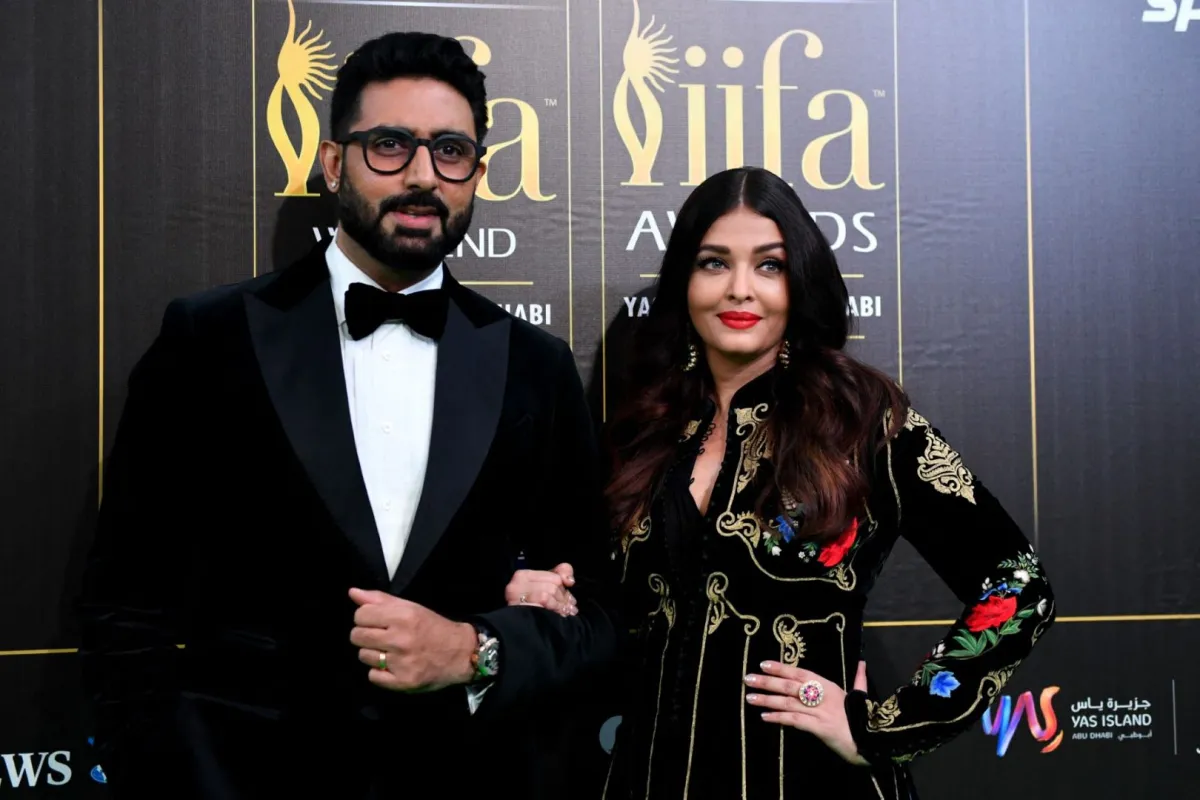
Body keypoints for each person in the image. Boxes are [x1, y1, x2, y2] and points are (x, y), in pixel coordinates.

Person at [77, 31, 618, 799]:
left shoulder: (537, 367)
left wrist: (475, 649)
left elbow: (597, 617)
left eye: (451, 151)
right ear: (335, 164)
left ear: (479, 174)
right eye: (391, 146)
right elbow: (124, 602)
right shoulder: (211, 339)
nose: (423, 176)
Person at [505, 166, 1056, 798]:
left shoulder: (864, 419)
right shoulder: (642, 430)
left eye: (769, 265)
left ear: (800, 280)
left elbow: (1018, 585)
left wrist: (882, 727)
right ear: (685, 280)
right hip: (647, 774)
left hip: (811, 779)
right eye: (714, 263)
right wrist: (551, 592)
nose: (741, 289)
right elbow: (610, 608)